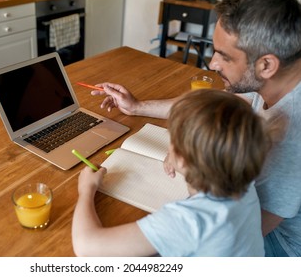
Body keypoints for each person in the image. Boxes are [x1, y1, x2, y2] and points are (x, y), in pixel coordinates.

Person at [90, 0, 301, 257]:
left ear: (266, 65)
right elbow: (214, 106)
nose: (212, 64)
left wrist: (178, 223)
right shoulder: (277, 81)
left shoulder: (291, 135)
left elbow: (245, 231)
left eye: (224, 57)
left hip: (278, 246)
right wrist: (138, 106)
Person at [72, 89, 270, 256]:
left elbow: (86, 247)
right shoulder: (244, 184)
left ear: (183, 158)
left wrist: (86, 189)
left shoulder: (190, 221)